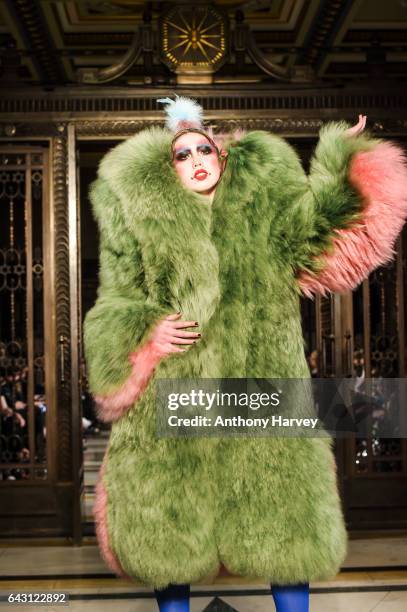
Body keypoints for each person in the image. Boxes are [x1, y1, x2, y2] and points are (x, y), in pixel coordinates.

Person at [84, 96, 407, 611]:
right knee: (172, 537)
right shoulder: (142, 223)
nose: (195, 160)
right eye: (182, 154)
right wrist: (148, 332)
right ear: (168, 169)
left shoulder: (266, 217)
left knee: (283, 531)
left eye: (203, 149)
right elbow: (116, 301)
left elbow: (327, 230)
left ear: (223, 157)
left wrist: (343, 160)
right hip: (173, 396)